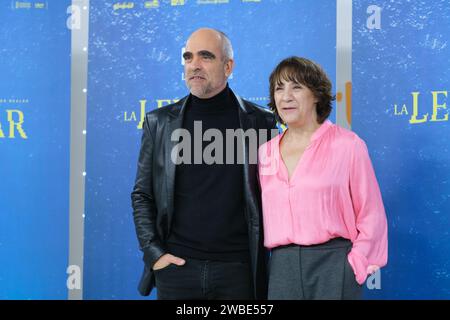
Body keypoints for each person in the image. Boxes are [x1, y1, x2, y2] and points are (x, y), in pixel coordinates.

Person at [131, 28, 277, 300]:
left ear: (228, 66)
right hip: (177, 271)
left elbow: (276, 195)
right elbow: (142, 194)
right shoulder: (159, 123)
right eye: (188, 57)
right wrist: (154, 254)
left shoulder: (261, 122)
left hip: (239, 273)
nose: (194, 65)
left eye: (206, 56)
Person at [258, 56, 388, 300]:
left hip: (334, 264)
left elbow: (372, 214)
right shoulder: (264, 153)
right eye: (279, 88)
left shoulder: (348, 145)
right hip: (281, 268)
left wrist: (354, 265)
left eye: (296, 86)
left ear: (316, 94)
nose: (286, 96)